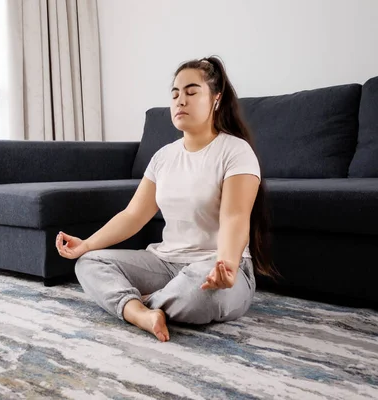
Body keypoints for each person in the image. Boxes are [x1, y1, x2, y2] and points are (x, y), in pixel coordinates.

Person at [55, 56, 278, 342]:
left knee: (203, 297)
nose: (179, 100)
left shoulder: (235, 151)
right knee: (89, 263)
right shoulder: (163, 157)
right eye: (174, 94)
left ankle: (132, 303)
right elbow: (133, 215)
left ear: (216, 99)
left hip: (216, 267)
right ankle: (143, 312)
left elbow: (235, 216)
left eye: (191, 91)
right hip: (164, 264)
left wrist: (228, 264)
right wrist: (86, 244)